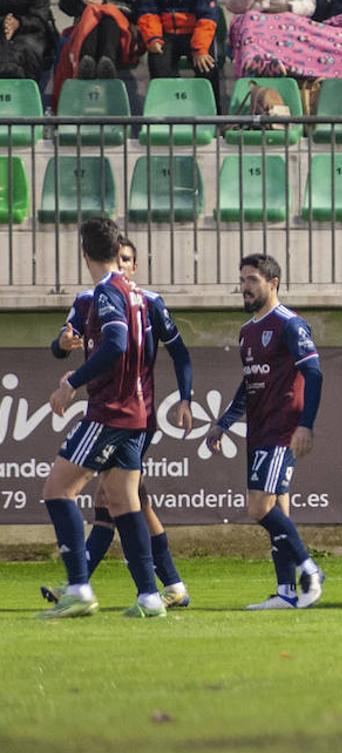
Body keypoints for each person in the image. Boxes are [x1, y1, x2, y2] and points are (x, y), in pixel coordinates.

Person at [41, 235, 194, 609]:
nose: (123, 264)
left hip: (119, 413)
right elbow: (61, 346)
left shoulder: (146, 301)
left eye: (129, 259)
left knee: (82, 494)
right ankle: (158, 590)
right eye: (119, 257)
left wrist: (186, 397)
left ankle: (81, 586)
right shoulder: (88, 299)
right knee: (124, 501)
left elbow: (170, 352)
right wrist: (64, 343)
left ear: (134, 265)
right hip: (130, 417)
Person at [206, 254, 326, 610]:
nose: (244, 287)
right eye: (242, 280)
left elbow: (315, 373)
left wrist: (305, 424)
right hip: (258, 429)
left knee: (258, 507)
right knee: (278, 513)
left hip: (281, 429)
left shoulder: (290, 324)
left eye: (253, 280)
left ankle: (310, 569)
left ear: (273, 283)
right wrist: (224, 422)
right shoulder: (246, 332)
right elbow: (250, 383)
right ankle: (287, 592)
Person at [136, 0, 220, 101]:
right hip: (164, 33)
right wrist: (153, 38)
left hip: (196, 32)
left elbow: (208, 18)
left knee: (207, 65)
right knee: (158, 63)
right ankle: (165, 107)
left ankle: (212, 110)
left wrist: (200, 48)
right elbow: (147, 11)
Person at [0, 0, 57, 79]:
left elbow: (40, 19)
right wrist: (4, 22)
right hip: (3, 32)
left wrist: (19, 23)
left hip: (31, 33)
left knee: (27, 48)